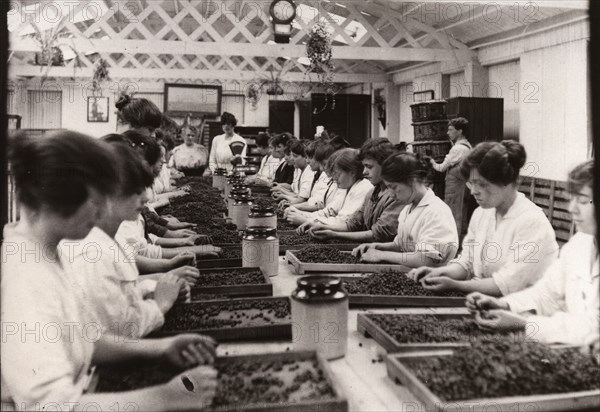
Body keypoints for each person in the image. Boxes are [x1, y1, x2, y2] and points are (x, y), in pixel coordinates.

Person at [1, 131, 217, 411]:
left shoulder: (46, 254)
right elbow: (49, 406)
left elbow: (83, 337)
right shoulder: (26, 279)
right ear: (65, 196)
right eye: (98, 198)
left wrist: (162, 348)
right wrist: (165, 397)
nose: (104, 210)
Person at [62, 142, 195, 339]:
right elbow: (115, 333)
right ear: (106, 194)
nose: (144, 198)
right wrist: (160, 304)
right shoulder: (92, 253)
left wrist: (158, 287)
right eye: (134, 190)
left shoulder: (111, 238)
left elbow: (121, 295)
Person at [466, 160, 598, 346]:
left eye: (583, 201)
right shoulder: (579, 244)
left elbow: (593, 328)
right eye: (572, 199)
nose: (571, 208)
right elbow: (546, 293)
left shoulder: (531, 219)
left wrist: (525, 324)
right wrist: (506, 305)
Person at [409, 141, 559, 296]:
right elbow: (467, 262)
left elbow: (506, 284)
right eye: (471, 183)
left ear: (507, 181)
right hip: (487, 304)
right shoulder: (482, 214)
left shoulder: (531, 222)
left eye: (482, 184)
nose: (474, 191)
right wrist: (439, 273)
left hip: (525, 313)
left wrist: (455, 285)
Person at [352, 152, 458, 267]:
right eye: (388, 187)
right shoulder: (407, 209)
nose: (391, 194)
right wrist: (377, 247)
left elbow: (427, 259)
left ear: (412, 181)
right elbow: (402, 246)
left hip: (433, 280)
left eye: (394, 187)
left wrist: (381, 255)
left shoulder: (436, 211)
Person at [300, 138, 404, 243]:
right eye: (364, 166)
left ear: (385, 165)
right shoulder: (372, 193)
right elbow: (352, 224)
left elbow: (378, 234)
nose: (364, 172)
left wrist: (334, 234)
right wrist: (319, 226)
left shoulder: (396, 196)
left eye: (369, 167)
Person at [295, 148, 373, 228]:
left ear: (352, 173)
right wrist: (299, 214)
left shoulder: (363, 188)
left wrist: (305, 220)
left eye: (338, 174)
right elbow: (329, 212)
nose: (334, 178)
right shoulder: (345, 187)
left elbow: (343, 222)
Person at [430, 118, 473, 238]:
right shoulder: (467, 146)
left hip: (455, 188)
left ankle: (452, 242)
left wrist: (431, 161)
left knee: (453, 215)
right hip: (461, 186)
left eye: (450, 130)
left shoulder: (458, 149)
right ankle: (459, 241)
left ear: (460, 131)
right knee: (460, 215)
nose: (448, 133)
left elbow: (441, 168)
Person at [272, 140, 315, 206]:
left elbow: (302, 200)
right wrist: (283, 194)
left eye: (295, 156)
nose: (291, 159)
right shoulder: (298, 169)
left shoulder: (310, 172)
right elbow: (296, 195)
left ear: (305, 157)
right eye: (291, 155)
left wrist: (284, 197)